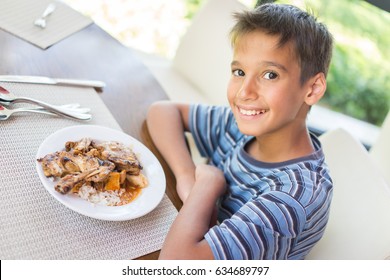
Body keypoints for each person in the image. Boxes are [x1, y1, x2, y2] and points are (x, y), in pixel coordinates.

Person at [146, 2, 333, 260]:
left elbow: (175, 263)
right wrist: (188, 176)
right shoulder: (248, 126)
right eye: (239, 72)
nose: (245, 92)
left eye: (269, 75)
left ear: (312, 89)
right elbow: (162, 112)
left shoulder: (291, 198)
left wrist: (208, 185)